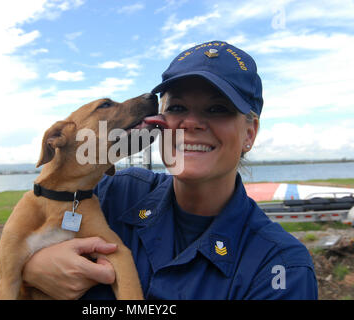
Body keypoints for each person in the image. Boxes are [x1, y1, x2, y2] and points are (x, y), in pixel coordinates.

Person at [22, 41, 318, 299]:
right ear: (158, 122)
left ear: (250, 133)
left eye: (217, 109)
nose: (191, 123)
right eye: (176, 108)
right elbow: (23, 236)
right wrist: (33, 267)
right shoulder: (111, 192)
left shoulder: (279, 267)